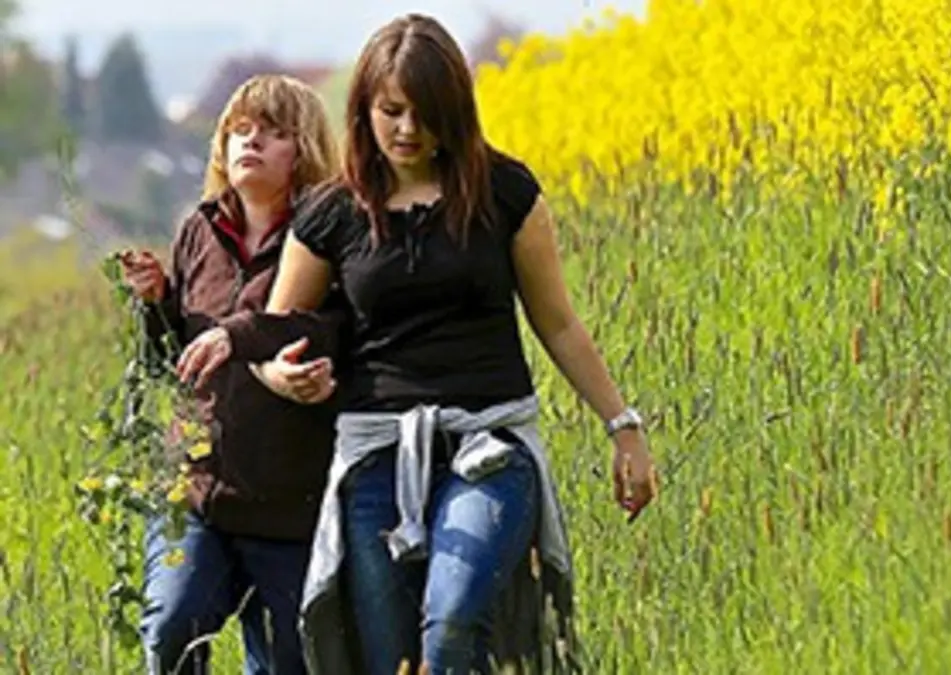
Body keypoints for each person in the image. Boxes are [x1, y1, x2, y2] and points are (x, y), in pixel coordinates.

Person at [175, 13, 658, 675]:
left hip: (491, 445)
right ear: (364, 107)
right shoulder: (332, 213)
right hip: (373, 455)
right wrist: (274, 374)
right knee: (390, 658)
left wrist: (623, 426)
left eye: (426, 114)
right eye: (391, 110)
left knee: (454, 618)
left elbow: (560, 324)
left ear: (454, 111)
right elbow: (278, 325)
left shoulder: (505, 193)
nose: (407, 130)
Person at [117, 73, 347, 675]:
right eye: (239, 131)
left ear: (304, 151)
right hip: (198, 494)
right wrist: (155, 303)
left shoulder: (327, 234)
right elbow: (169, 363)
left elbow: (335, 332)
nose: (251, 143)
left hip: (289, 505)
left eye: (273, 133)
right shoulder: (198, 229)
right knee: (170, 635)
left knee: (287, 663)